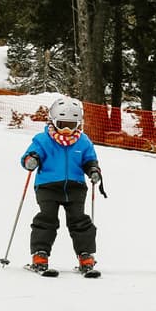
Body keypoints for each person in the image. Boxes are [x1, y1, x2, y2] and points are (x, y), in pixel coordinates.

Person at [20, 97, 105, 273]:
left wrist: (94, 171)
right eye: (62, 123)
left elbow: (89, 160)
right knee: (47, 219)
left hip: (75, 187)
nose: (67, 130)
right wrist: (31, 160)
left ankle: (85, 256)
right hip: (48, 186)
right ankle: (40, 254)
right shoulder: (43, 140)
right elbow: (30, 154)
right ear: (52, 120)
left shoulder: (83, 141)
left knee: (79, 221)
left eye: (72, 125)